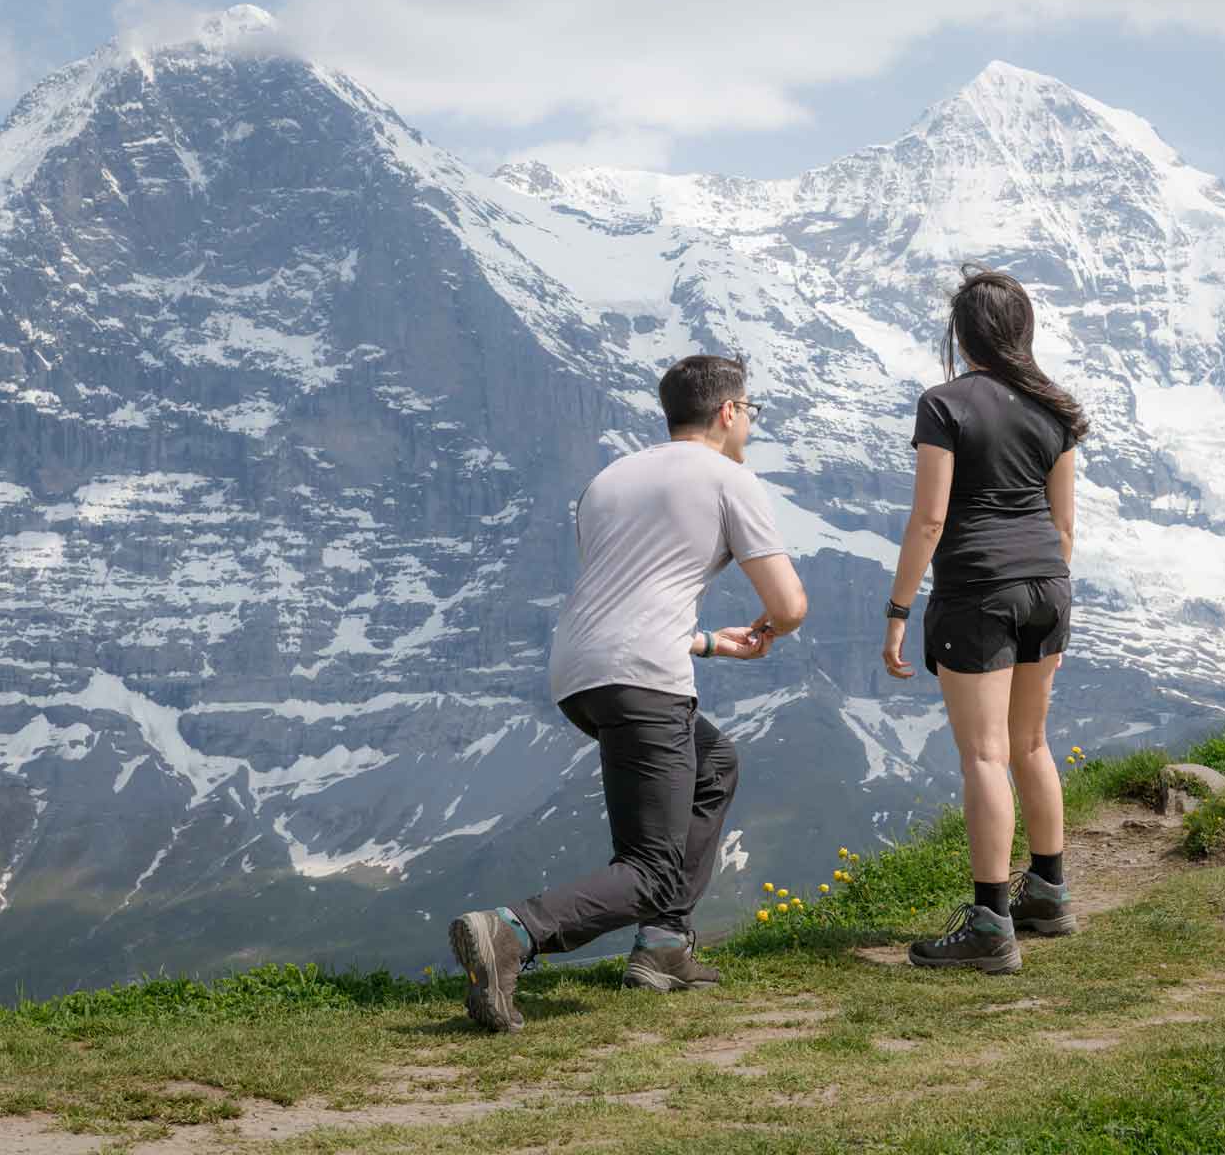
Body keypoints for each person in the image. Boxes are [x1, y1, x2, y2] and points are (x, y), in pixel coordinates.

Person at [450, 354, 808, 1032]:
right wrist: (772, 627)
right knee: (652, 869)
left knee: (715, 764)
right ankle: (512, 932)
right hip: (645, 676)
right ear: (729, 412)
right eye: (750, 411)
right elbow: (789, 605)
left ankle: (664, 945)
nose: (750, 424)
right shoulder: (728, 477)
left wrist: (706, 642)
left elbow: (629, 595)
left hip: (580, 673)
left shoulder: (608, 480)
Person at [880, 265, 1089, 975]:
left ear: (962, 334)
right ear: (1022, 330)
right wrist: (1046, 582)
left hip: (977, 591)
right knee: (1033, 743)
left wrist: (900, 608)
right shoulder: (1055, 409)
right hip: (1046, 585)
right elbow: (1063, 525)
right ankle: (1049, 894)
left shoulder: (944, 404)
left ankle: (990, 923)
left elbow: (931, 516)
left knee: (985, 757)